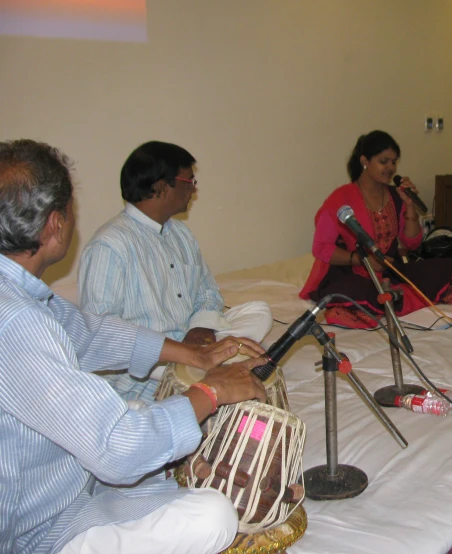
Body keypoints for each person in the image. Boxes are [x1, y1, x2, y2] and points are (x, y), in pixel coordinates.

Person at [0, 139, 268, 554]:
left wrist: (192, 354)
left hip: (71, 474)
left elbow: (90, 331)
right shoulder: (18, 321)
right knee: (213, 517)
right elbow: (116, 447)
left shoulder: (24, 297)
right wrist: (211, 391)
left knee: (160, 444)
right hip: (36, 527)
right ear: (55, 223)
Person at [78, 141, 273, 403]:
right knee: (234, 347)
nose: (194, 189)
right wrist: (178, 352)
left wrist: (201, 326)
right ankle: (194, 368)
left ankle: (203, 364)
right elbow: (101, 335)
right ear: (161, 186)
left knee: (259, 311)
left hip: (190, 343)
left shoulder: (180, 234)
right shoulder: (110, 245)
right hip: (146, 374)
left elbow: (208, 293)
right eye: (189, 180)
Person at [300, 130, 452, 328]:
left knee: (449, 266)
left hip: (391, 271)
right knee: (356, 291)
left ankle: (389, 297)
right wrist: (364, 260)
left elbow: (412, 243)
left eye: (394, 162)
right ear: (365, 161)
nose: (391, 168)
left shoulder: (396, 196)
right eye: (384, 161)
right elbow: (320, 247)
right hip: (353, 273)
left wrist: (410, 205)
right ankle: (373, 301)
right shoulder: (340, 198)